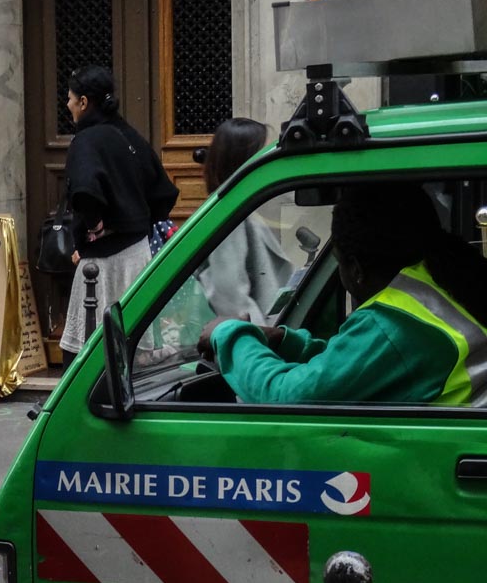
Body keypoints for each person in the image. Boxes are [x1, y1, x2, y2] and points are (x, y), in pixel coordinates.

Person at [198, 182, 487, 405]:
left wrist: (229, 334)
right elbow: (360, 367)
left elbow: (286, 398)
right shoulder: (446, 282)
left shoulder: (394, 322)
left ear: (356, 269)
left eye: (338, 262)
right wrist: (286, 341)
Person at [59, 65, 178, 361]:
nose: (68, 104)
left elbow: (85, 190)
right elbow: (163, 192)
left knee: (89, 355)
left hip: (102, 264)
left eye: (70, 98)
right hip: (138, 255)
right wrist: (138, 222)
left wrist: (94, 228)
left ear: (84, 102)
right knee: (134, 349)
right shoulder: (129, 135)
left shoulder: (86, 141)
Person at [197, 118, 295, 323]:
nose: (272, 160)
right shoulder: (227, 216)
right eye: (264, 154)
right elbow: (231, 300)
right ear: (243, 162)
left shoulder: (241, 206)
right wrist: (264, 336)